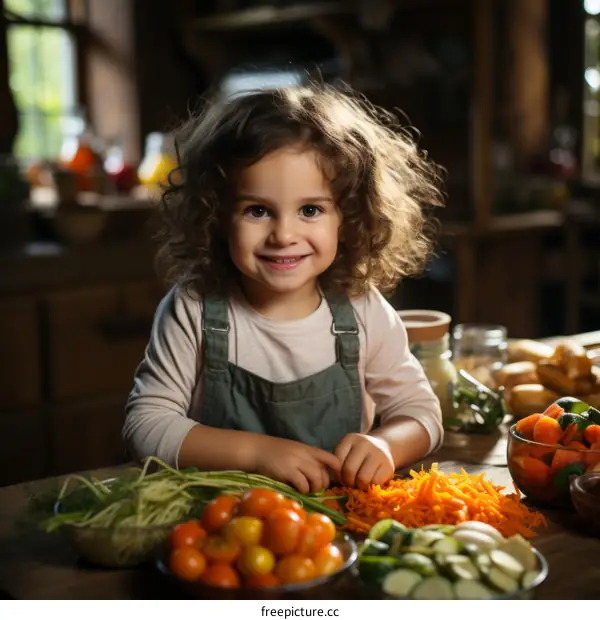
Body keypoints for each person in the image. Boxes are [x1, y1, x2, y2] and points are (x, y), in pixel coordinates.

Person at [122, 83, 445, 495]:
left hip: (337, 528)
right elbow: (145, 427)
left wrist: (385, 444)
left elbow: (421, 414)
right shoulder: (194, 309)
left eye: (310, 210)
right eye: (257, 210)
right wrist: (258, 453)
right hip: (219, 525)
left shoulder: (362, 309)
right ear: (217, 215)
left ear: (347, 218)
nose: (284, 235)